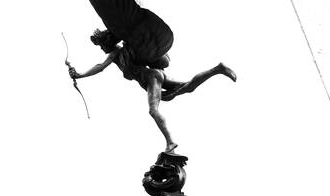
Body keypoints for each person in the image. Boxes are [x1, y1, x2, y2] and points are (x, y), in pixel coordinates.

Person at [68, 43, 235, 153]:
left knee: (153, 110)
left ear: (107, 43)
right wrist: (80, 75)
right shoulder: (120, 52)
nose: (102, 49)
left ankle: (170, 142)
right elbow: (101, 66)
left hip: (151, 78)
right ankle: (217, 69)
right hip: (153, 77)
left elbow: (100, 67)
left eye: (101, 46)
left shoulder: (117, 52)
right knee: (186, 88)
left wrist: (81, 75)